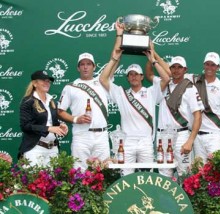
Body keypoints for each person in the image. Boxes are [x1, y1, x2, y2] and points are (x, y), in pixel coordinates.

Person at [100, 21, 170, 176]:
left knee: (148, 177)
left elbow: (166, 79)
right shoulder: (121, 93)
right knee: (126, 178)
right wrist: (114, 58)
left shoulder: (151, 92)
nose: (133, 77)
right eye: (130, 74)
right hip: (127, 143)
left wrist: (153, 60)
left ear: (142, 76)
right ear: (127, 78)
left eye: (136, 74)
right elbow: (103, 79)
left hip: (146, 142)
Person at [146, 55, 203, 177]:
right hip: (162, 136)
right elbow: (149, 75)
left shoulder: (190, 88)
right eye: (173, 67)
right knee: (163, 174)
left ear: (185, 70)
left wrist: (190, 141)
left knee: (185, 173)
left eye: (179, 67)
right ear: (169, 69)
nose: (176, 70)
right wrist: (150, 57)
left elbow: (198, 116)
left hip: (181, 135)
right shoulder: (163, 84)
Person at [57, 52, 110, 171]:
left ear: (94, 67)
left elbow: (114, 60)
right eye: (82, 64)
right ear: (78, 67)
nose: (85, 67)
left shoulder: (103, 82)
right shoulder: (71, 87)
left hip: (102, 136)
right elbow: (60, 111)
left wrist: (119, 35)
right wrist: (76, 119)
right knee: (80, 173)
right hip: (82, 135)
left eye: (89, 64)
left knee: (104, 172)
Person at [188, 52, 220, 163]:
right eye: (207, 64)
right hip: (197, 136)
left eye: (213, 65)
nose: (209, 67)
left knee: (216, 172)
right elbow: (173, 73)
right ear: (204, 65)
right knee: (200, 172)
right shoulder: (194, 81)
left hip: (215, 136)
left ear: (218, 67)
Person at [19, 70, 68, 167]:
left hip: (53, 149)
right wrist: (48, 128)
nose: (47, 83)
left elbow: (52, 122)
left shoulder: (51, 101)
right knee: (34, 181)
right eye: (43, 80)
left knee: (52, 181)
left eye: (48, 81)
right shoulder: (28, 101)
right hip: (35, 149)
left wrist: (60, 126)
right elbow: (25, 126)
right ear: (34, 83)